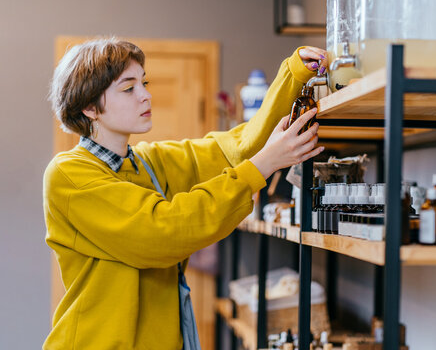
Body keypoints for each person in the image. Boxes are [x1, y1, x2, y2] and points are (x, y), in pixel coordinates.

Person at [43, 37, 327, 349]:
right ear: (89, 106)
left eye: (144, 83)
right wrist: (261, 167)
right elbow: (162, 233)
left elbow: (239, 146)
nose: (146, 95)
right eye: (129, 88)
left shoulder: (151, 163)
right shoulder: (69, 174)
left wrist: (294, 73)